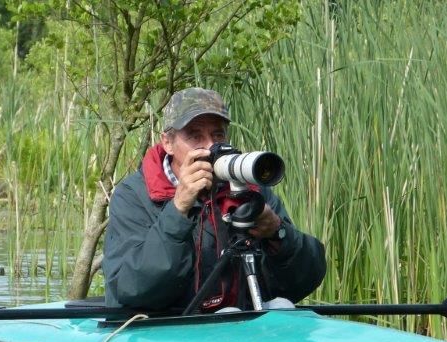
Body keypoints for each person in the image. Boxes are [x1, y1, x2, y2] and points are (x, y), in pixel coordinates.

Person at [102, 87, 326, 311]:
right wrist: (177, 210)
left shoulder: (247, 189)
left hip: (237, 325)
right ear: (167, 143)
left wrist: (278, 234)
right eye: (195, 136)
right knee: (229, 314)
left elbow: (302, 282)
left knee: (282, 307)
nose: (210, 147)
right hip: (167, 327)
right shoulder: (134, 196)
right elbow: (131, 289)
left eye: (217, 135)